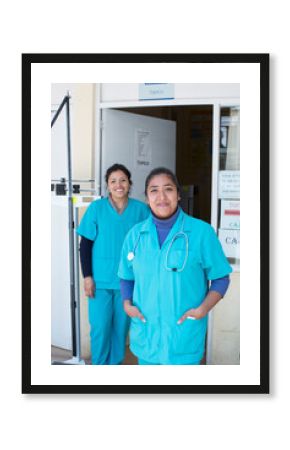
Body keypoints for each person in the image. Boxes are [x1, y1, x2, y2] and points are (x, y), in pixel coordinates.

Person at [118, 167, 232, 365]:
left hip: (183, 338)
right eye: (154, 190)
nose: (161, 196)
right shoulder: (135, 235)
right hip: (147, 337)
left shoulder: (201, 233)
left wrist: (203, 309)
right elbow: (126, 276)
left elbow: (221, 277)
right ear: (146, 197)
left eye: (168, 189)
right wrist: (127, 305)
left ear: (178, 195)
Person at [77, 163, 149, 365]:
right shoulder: (96, 209)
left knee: (120, 330)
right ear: (107, 185)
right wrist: (87, 277)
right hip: (99, 281)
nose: (119, 185)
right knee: (100, 328)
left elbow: (149, 246)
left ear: (129, 184)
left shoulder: (141, 210)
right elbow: (85, 246)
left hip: (128, 282)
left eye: (123, 180)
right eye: (113, 181)